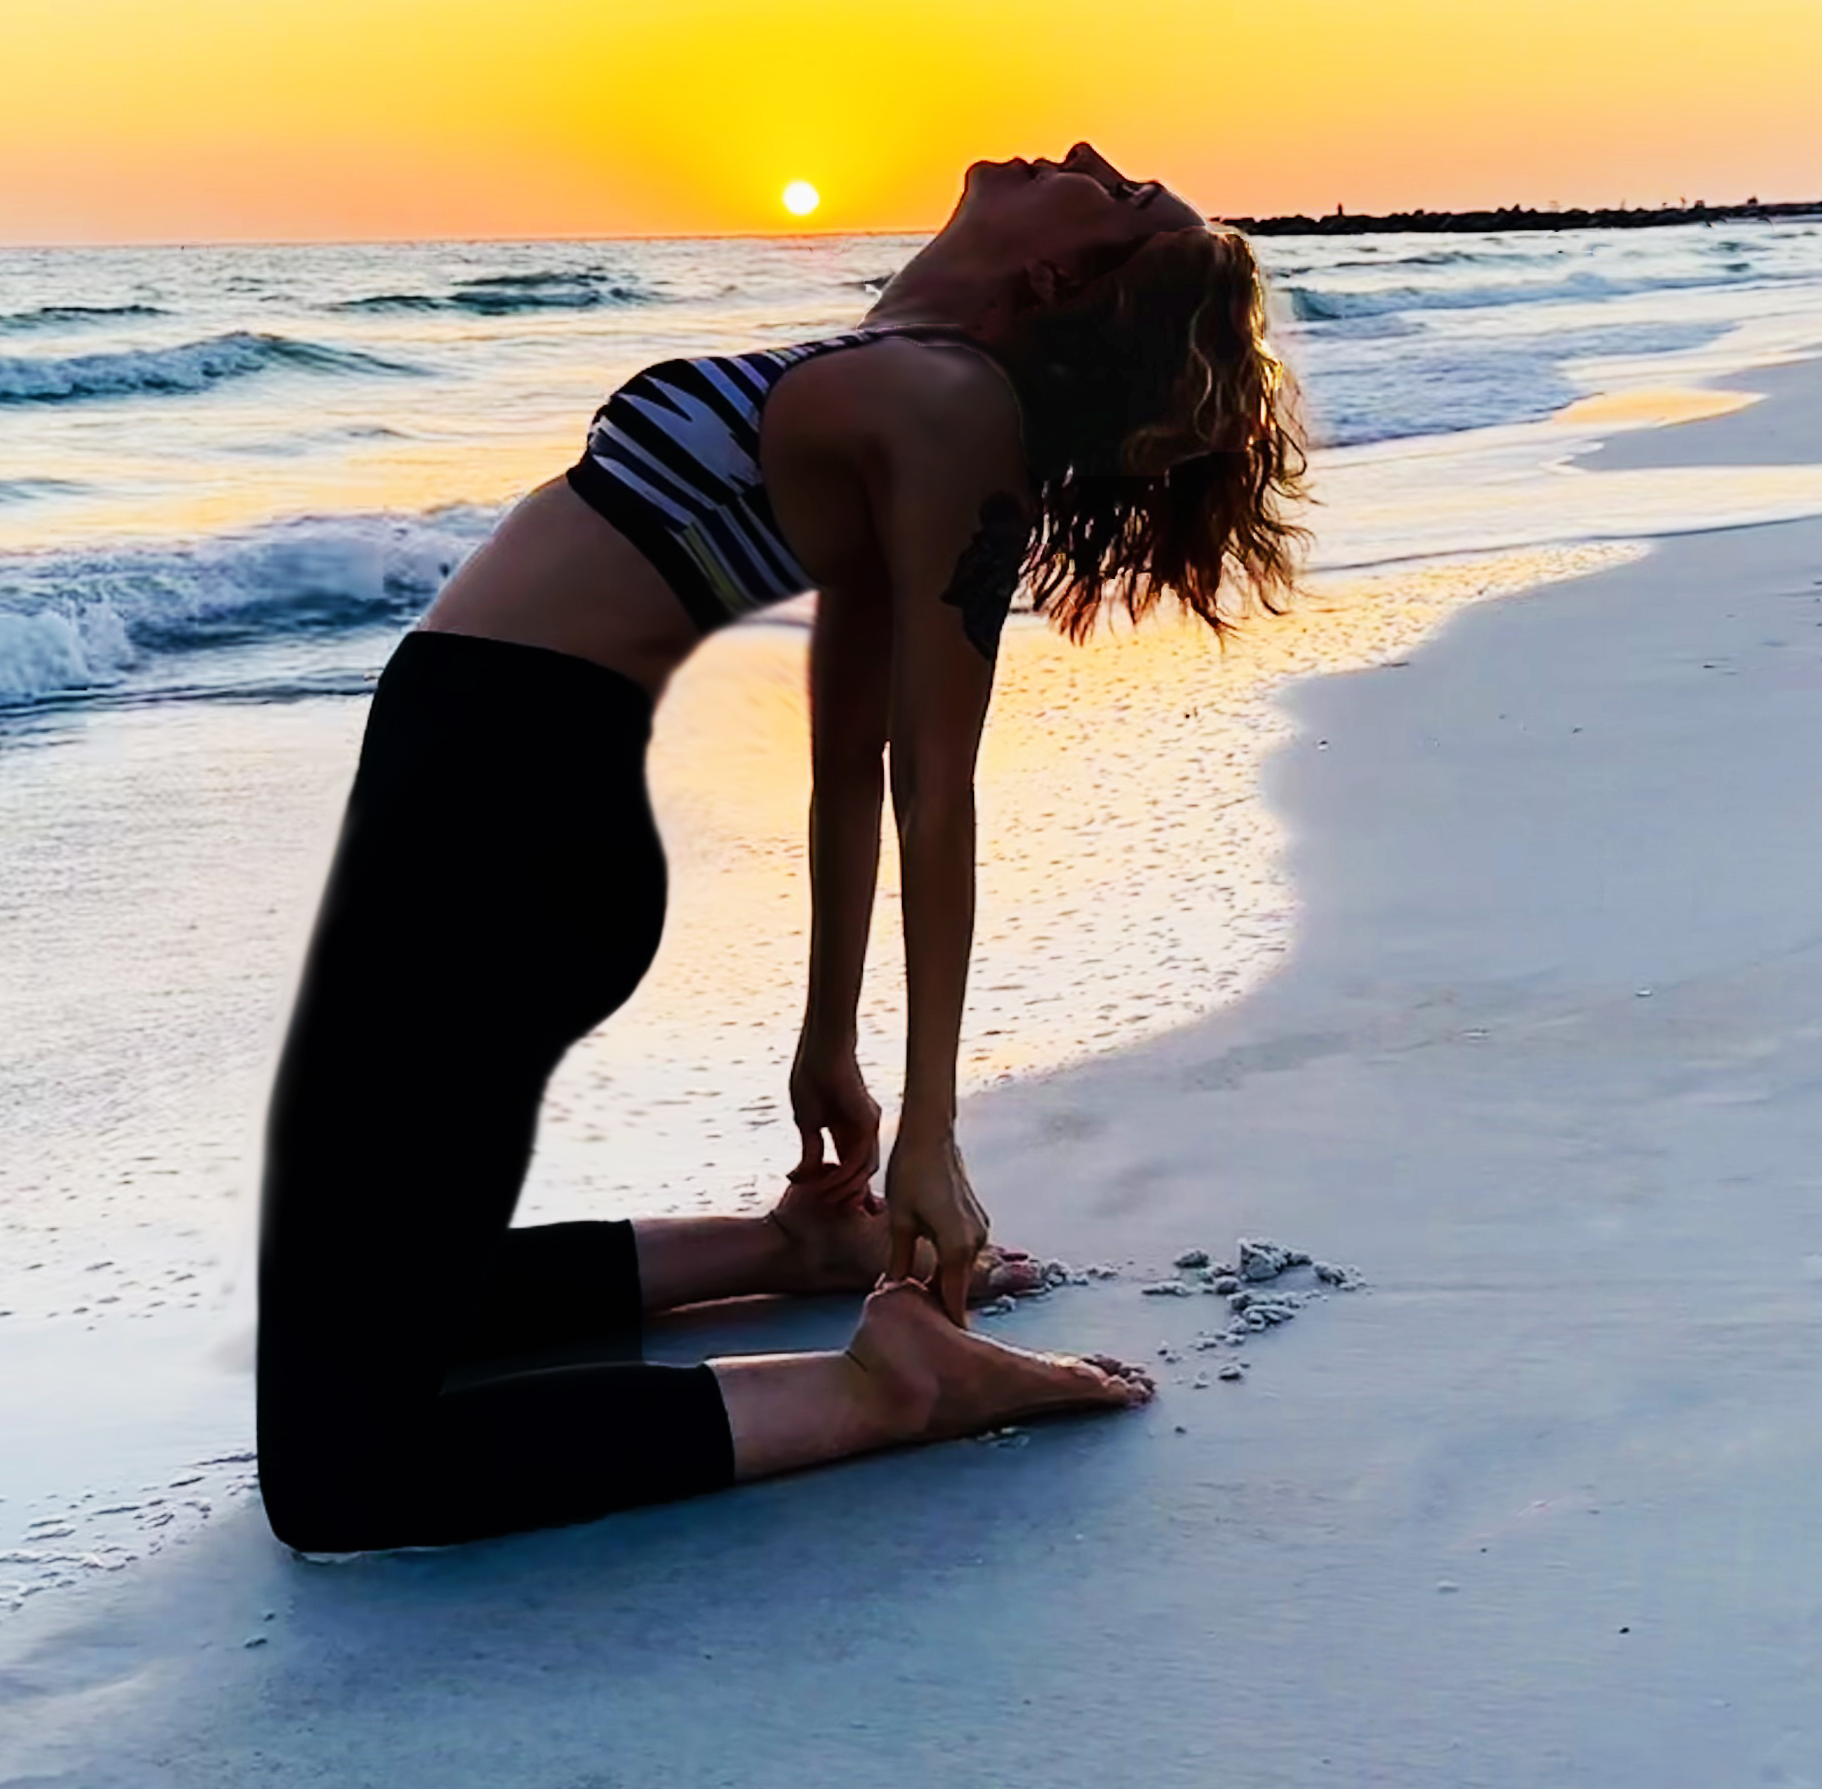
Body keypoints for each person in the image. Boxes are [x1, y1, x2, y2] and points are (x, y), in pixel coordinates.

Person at [256, 145, 1314, 1551]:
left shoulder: (948, 408)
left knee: (345, 1478)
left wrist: (934, 1135)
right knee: (393, 1298)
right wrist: (829, 1045)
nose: (1086, 156)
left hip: (494, 844)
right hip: (482, 819)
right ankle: (795, 1248)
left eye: (1119, 196)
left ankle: (890, 1388)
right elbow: (842, 749)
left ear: (1060, 276)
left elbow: (934, 786)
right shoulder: (895, 370)